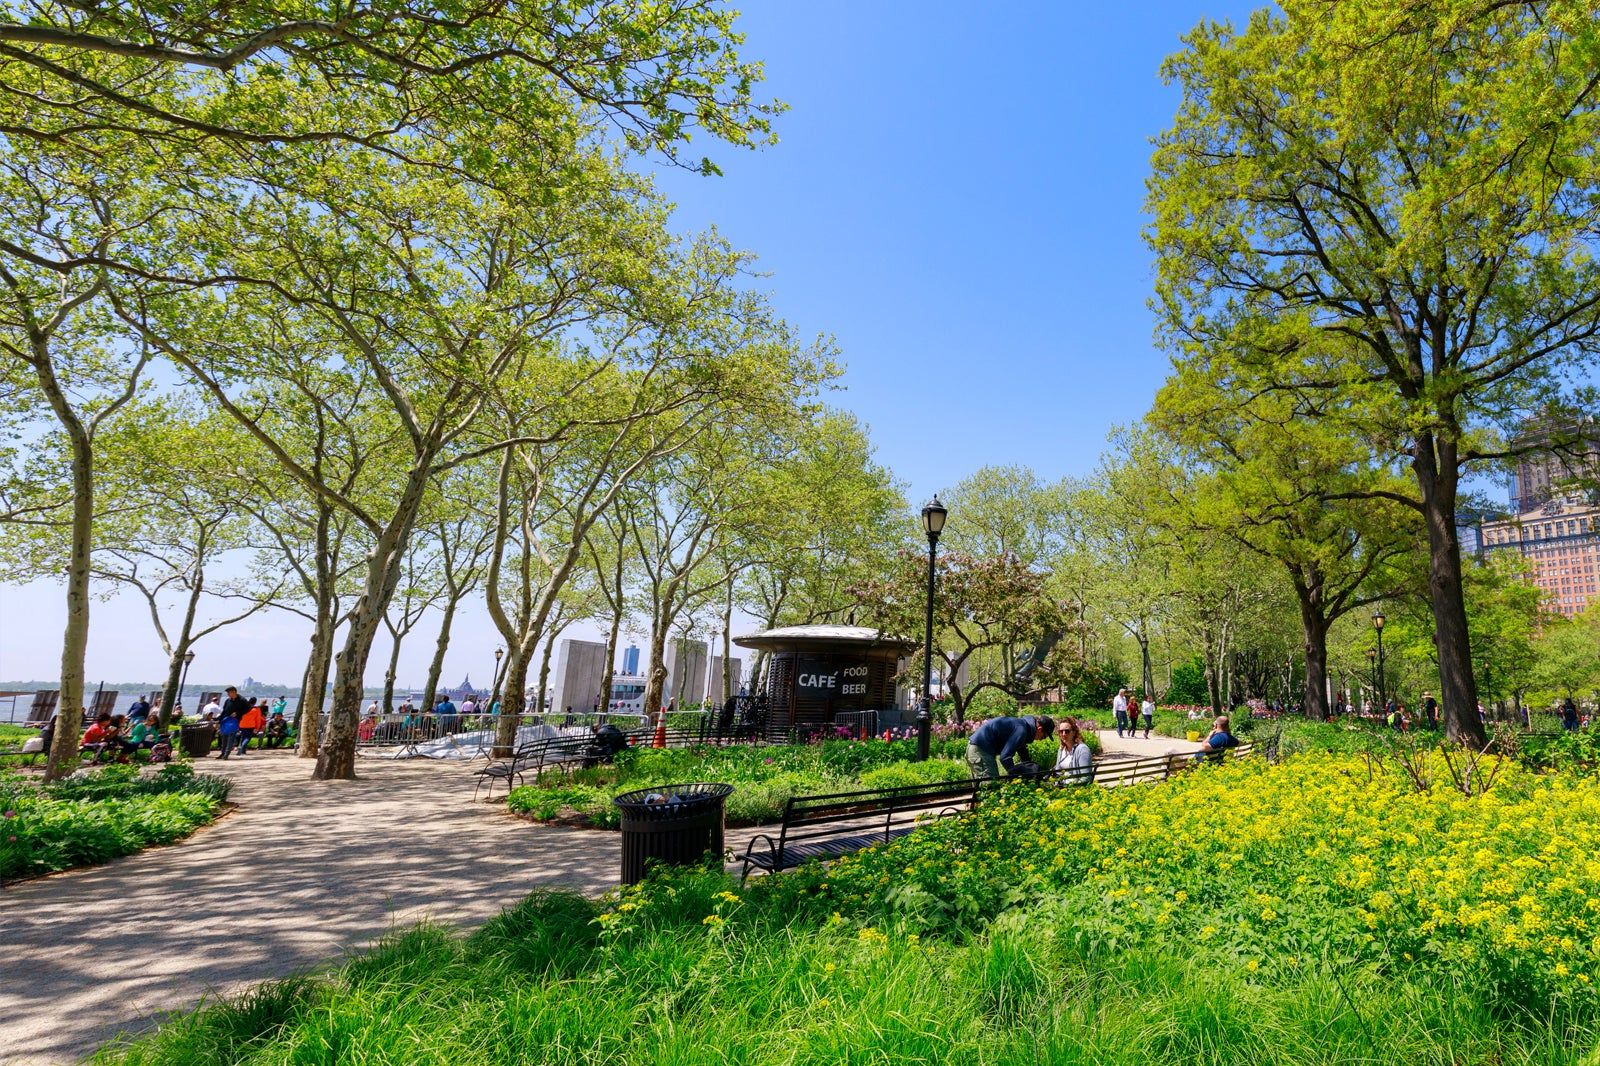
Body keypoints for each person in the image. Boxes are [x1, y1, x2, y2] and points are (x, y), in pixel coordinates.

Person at [966, 714, 1055, 780]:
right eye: (1044, 736)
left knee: (980, 791)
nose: (1042, 739)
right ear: (1039, 729)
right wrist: (1017, 777)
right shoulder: (1022, 730)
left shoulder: (1024, 727)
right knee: (991, 788)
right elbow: (1005, 758)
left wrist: (1032, 769)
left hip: (977, 749)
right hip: (980, 750)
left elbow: (1023, 753)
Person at [1053, 718, 1093, 785]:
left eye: (1067, 731)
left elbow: (1085, 778)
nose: (1063, 734)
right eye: (1061, 731)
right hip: (1062, 788)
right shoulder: (1061, 749)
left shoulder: (1082, 750)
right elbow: (1058, 773)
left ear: (1074, 732)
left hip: (1075, 788)